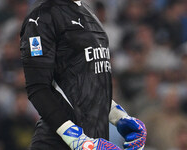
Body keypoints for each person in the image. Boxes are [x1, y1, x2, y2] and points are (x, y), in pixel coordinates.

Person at [20, 0, 147, 149]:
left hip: (94, 142)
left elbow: (87, 85)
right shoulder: (42, 17)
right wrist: (77, 140)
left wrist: (119, 117)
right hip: (57, 143)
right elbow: (38, 88)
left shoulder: (87, 11)